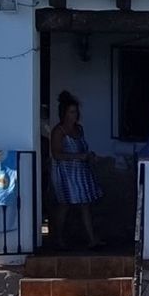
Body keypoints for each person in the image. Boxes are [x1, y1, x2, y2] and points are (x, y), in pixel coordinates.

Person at [47, 91, 101, 249]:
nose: (74, 115)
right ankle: (57, 238)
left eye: (76, 111)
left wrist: (89, 156)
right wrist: (78, 156)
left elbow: (83, 148)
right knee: (65, 205)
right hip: (65, 174)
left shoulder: (79, 129)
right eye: (71, 112)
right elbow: (56, 154)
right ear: (64, 113)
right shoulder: (59, 131)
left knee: (85, 204)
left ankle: (92, 239)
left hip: (81, 173)